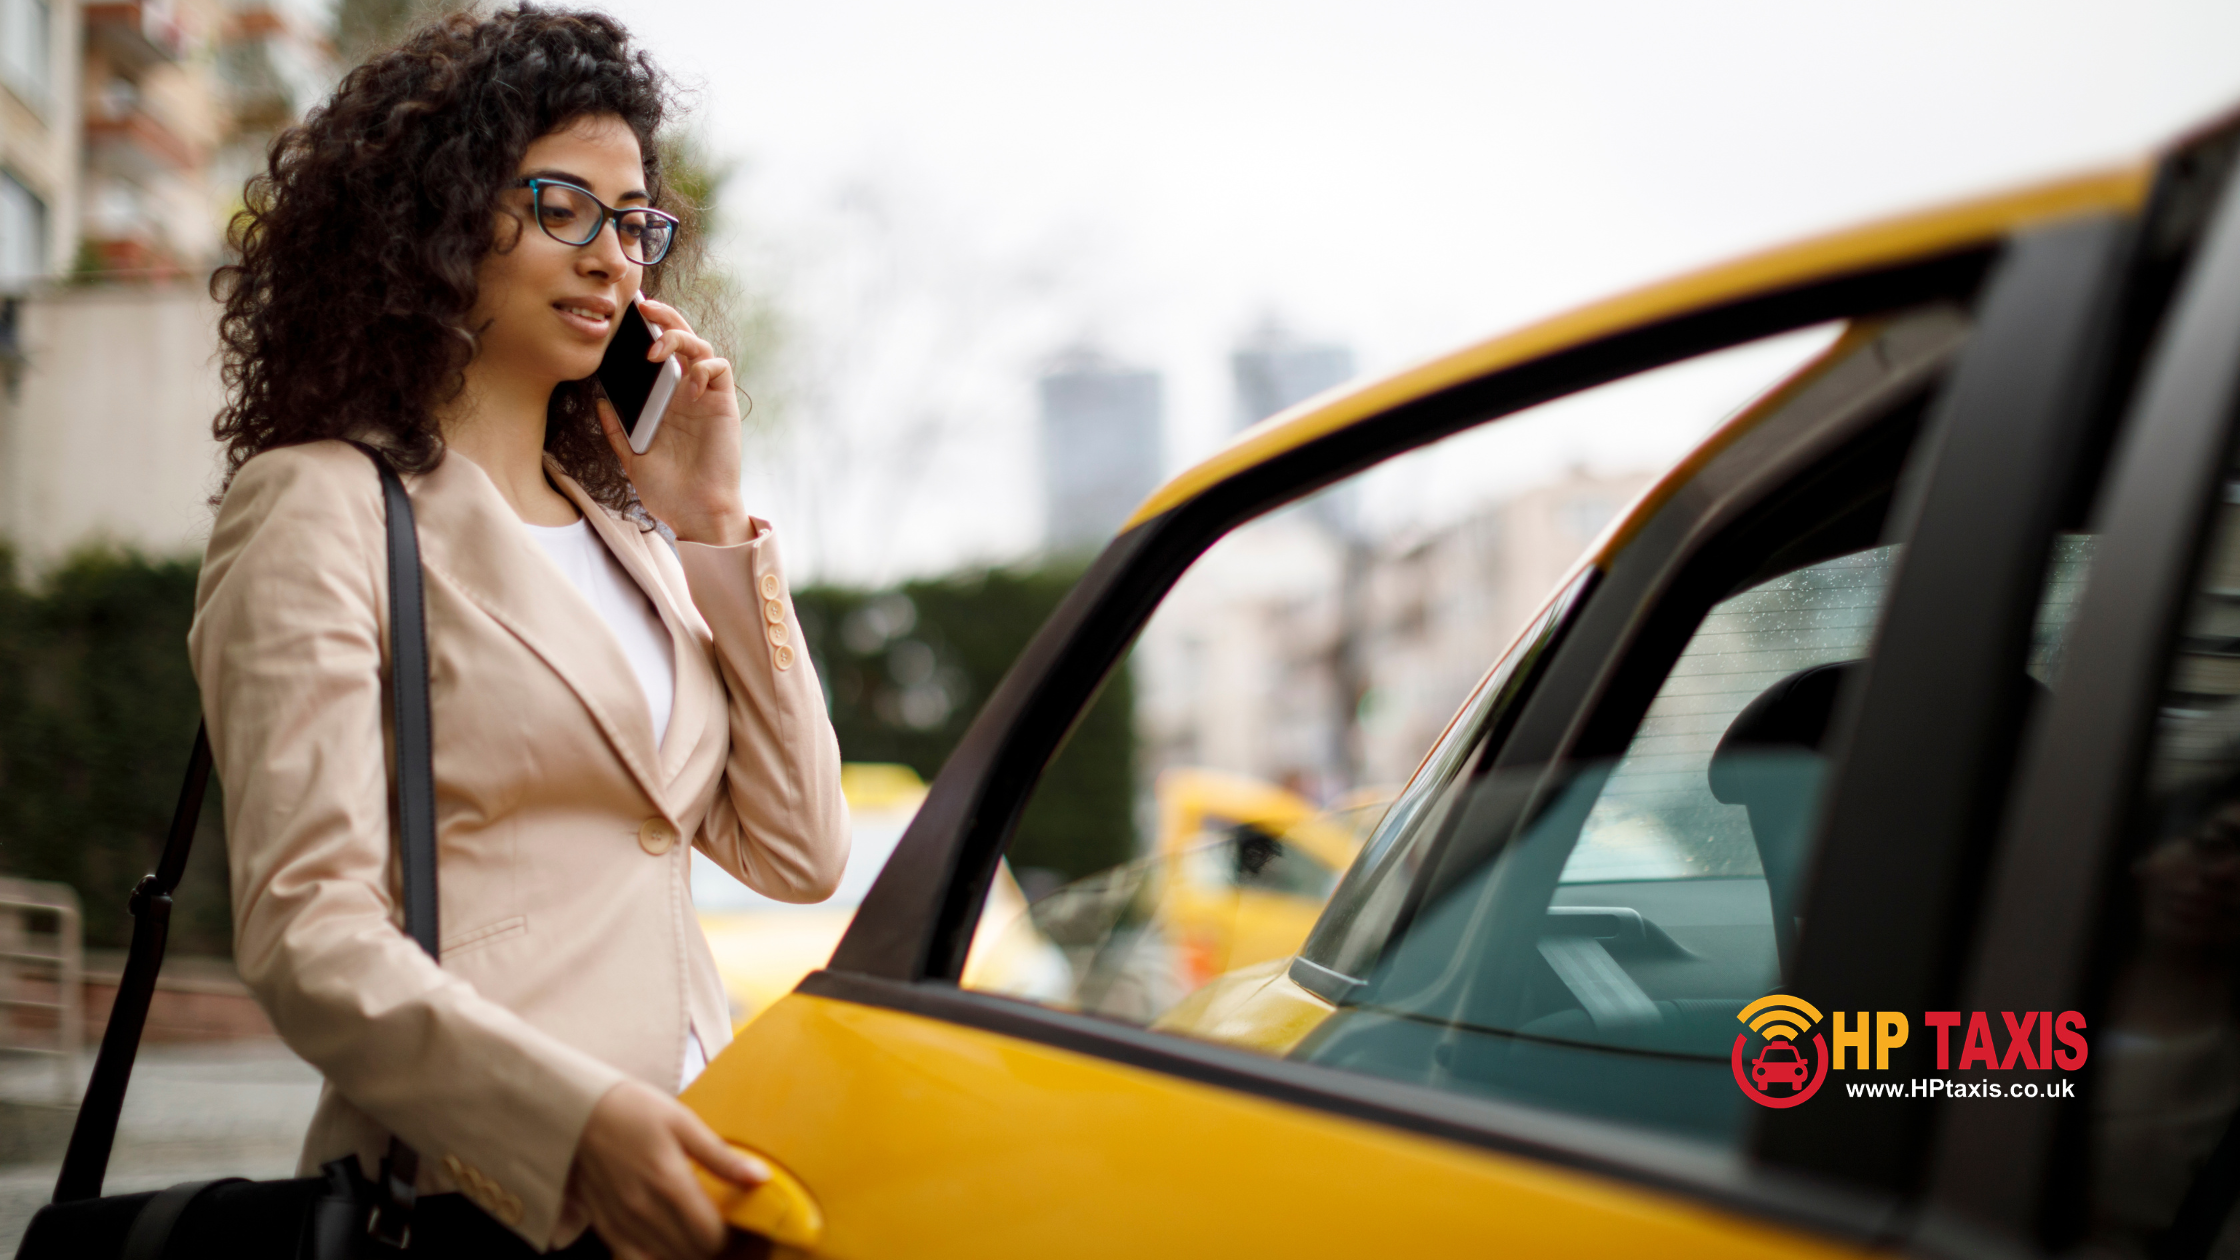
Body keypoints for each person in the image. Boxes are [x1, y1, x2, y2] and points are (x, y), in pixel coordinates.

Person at [189, 8, 848, 1257]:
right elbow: (307, 934)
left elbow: (799, 848)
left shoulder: (639, 543)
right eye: (562, 207)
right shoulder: (319, 505)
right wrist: (575, 1120)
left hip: (689, 1185)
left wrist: (710, 523)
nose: (614, 258)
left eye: (635, 222)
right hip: (476, 1194)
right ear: (433, 219)